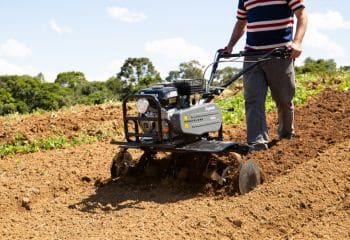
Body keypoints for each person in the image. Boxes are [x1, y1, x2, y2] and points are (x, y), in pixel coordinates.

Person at [223, 0, 308, 151]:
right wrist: (230, 46)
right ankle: (257, 145)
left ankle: (286, 136)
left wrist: (297, 42)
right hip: (251, 55)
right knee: (253, 100)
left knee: (283, 99)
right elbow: (241, 23)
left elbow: (302, 15)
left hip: (280, 54)